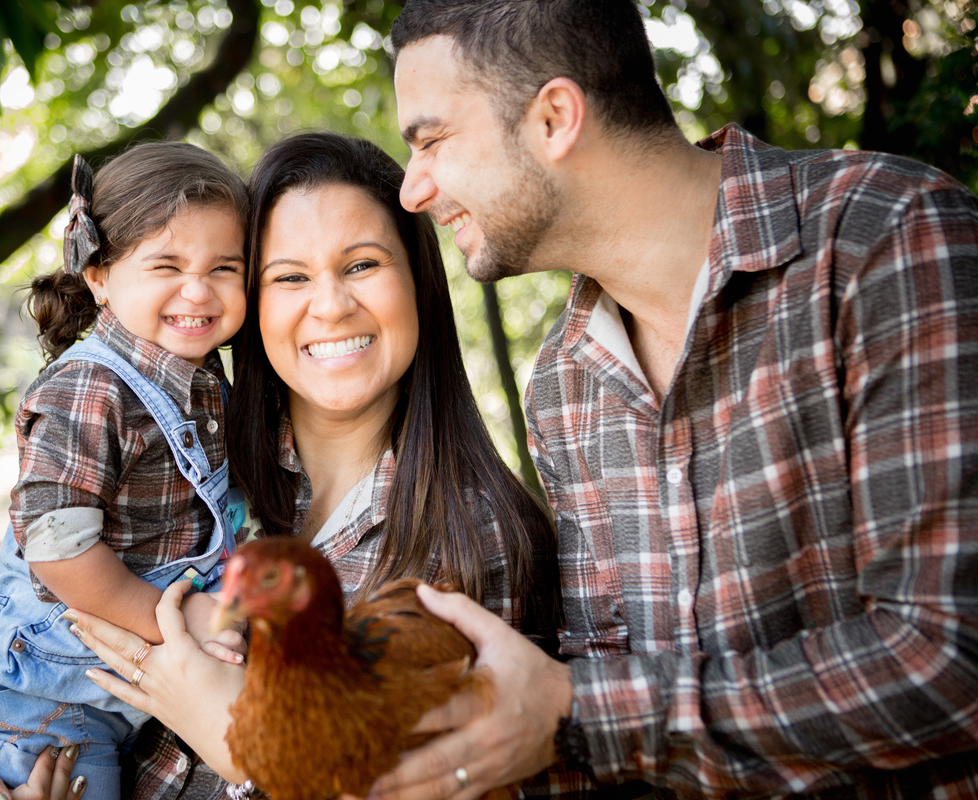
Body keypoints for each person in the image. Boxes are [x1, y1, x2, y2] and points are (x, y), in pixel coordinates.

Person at [367, 1, 978, 798]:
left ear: (554, 118)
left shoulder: (886, 239)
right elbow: (603, 690)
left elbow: (950, 657)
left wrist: (575, 709)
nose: (412, 190)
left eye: (431, 141)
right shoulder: (564, 382)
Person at [45, 131, 564, 800]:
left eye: (362, 265)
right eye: (290, 276)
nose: (331, 305)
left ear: (419, 282)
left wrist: (242, 751)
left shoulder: (480, 543)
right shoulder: (175, 470)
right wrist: (6, 761)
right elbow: (38, 626)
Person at [0, 141, 251, 799]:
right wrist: (175, 623)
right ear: (100, 276)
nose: (199, 290)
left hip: (109, 686)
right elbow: (57, 547)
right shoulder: (91, 387)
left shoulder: (202, 381)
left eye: (225, 268)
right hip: (40, 699)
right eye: (166, 265)